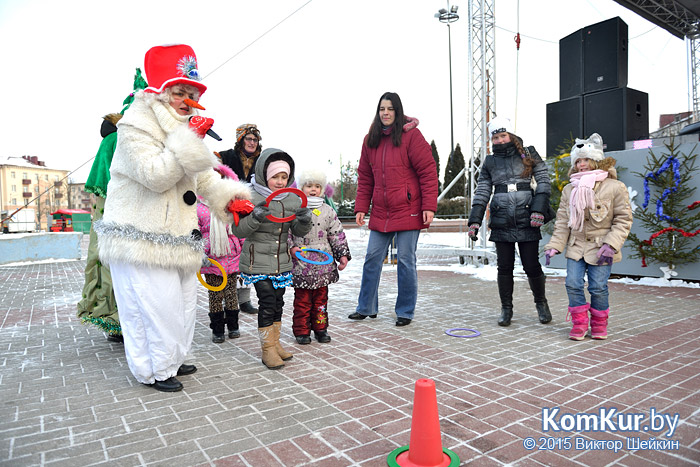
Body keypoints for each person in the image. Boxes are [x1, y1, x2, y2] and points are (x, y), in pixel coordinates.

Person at [95, 44, 250, 392]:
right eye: (179, 92)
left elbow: (205, 177)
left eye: (191, 93)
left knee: (179, 307)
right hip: (140, 236)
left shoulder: (183, 128)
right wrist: (190, 140)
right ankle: (152, 370)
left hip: (179, 236)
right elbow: (155, 174)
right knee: (151, 308)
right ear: (159, 94)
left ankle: (173, 359)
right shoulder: (137, 124)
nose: (187, 99)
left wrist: (231, 201)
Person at [349, 92, 438, 327]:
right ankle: (366, 307)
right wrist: (361, 206)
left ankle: (405, 311)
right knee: (371, 258)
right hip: (381, 211)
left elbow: (428, 172)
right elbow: (365, 177)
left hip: (409, 209)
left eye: (390, 109)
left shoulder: (412, 137)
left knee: (406, 260)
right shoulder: (371, 140)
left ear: (397, 112)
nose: (385, 113)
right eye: (381, 109)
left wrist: (428, 205)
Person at [77, 69, 148, 342]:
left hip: (128, 213)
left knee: (123, 266)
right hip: (117, 213)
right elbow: (106, 185)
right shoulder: (116, 140)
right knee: (118, 265)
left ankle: (123, 323)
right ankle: (118, 322)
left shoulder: (125, 138)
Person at [544, 133, 633, 340]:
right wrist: (554, 245)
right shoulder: (569, 189)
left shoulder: (614, 186)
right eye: (578, 161)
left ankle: (600, 324)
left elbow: (623, 219)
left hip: (601, 248)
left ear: (595, 160)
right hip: (576, 246)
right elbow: (562, 221)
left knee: (598, 287)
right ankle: (580, 324)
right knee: (572, 283)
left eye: (586, 160)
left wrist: (611, 245)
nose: (582, 165)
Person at [229, 148, 312, 369]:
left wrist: (304, 220)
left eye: (284, 177)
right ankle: (267, 351)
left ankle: (275, 345)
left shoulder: (293, 200)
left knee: (278, 303)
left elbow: (299, 231)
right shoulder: (250, 197)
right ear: (265, 174)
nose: (280, 181)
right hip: (257, 262)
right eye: (275, 176)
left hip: (281, 262)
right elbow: (239, 231)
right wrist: (255, 217)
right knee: (267, 302)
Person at [467, 116, 553, 327]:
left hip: (527, 216)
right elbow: (483, 191)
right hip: (501, 217)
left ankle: (541, 303)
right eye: (495, 137)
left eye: (503, 135)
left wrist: (538, 209)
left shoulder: (529, 153)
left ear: (511, 135)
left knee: (531, 265)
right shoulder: (489, 161)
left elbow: (543, 181)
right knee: (504, 267)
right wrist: (475, 220)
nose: (500, 140)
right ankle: (506, 308)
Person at [289, 169, 351, 344]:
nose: (313, 189)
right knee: (302, 302)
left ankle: (320, 328)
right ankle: (301, 331)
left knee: (321, 301)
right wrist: (292, 247)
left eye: (317, 186)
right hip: (302, 265)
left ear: (323, 189)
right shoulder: (295, 210)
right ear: (301, 188)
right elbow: (286, 232)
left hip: (324, 265)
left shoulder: (328, 211)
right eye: (309, 186)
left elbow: (336, 234)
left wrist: (342, 255)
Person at [217, 123, 263, 315]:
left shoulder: (262, 160)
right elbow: (207, 167)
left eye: (255, 139)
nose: (252, 142)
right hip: (227, 211)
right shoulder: (226, 156)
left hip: (250, 211)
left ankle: (244, 299)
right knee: (227, 253)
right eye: (248, 138)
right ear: (240, 140)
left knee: (246, 254)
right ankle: (225, 297)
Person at [198, 164, 246, 343]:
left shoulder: (230, 206)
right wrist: (200, 253)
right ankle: (217, 329)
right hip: (212, 261)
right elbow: (195, 232)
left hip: (232, 258)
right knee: (215, 296)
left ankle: (233, 326)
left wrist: (243, 251)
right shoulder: (199, 208)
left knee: (231, 294)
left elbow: (238, 229)